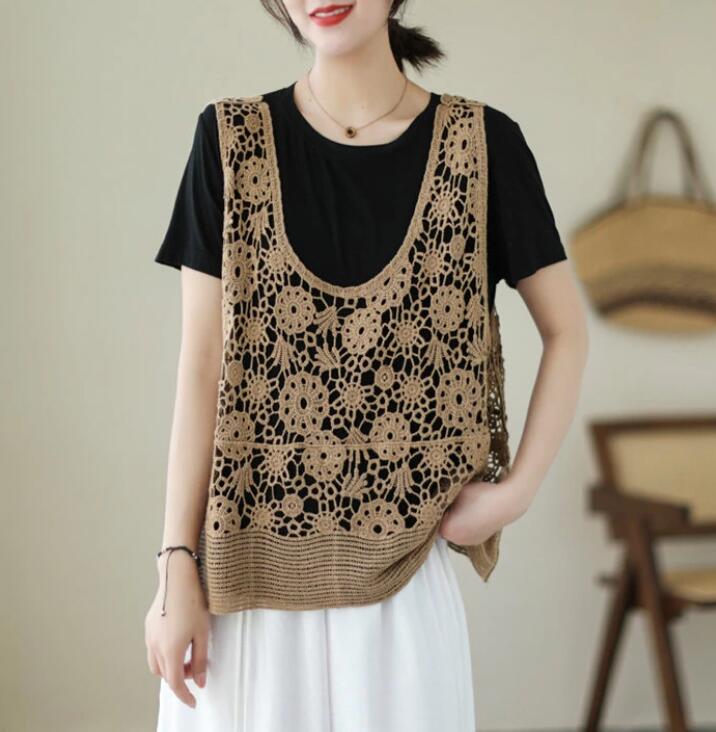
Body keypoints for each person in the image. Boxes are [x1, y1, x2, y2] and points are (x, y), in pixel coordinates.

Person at [145, 1, 589, 730]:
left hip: (401, 592)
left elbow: (567, 330)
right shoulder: (228, 140)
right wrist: (174, 569)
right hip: (240, 594)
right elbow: (201, 367)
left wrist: (514, 494)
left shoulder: (483, 147)